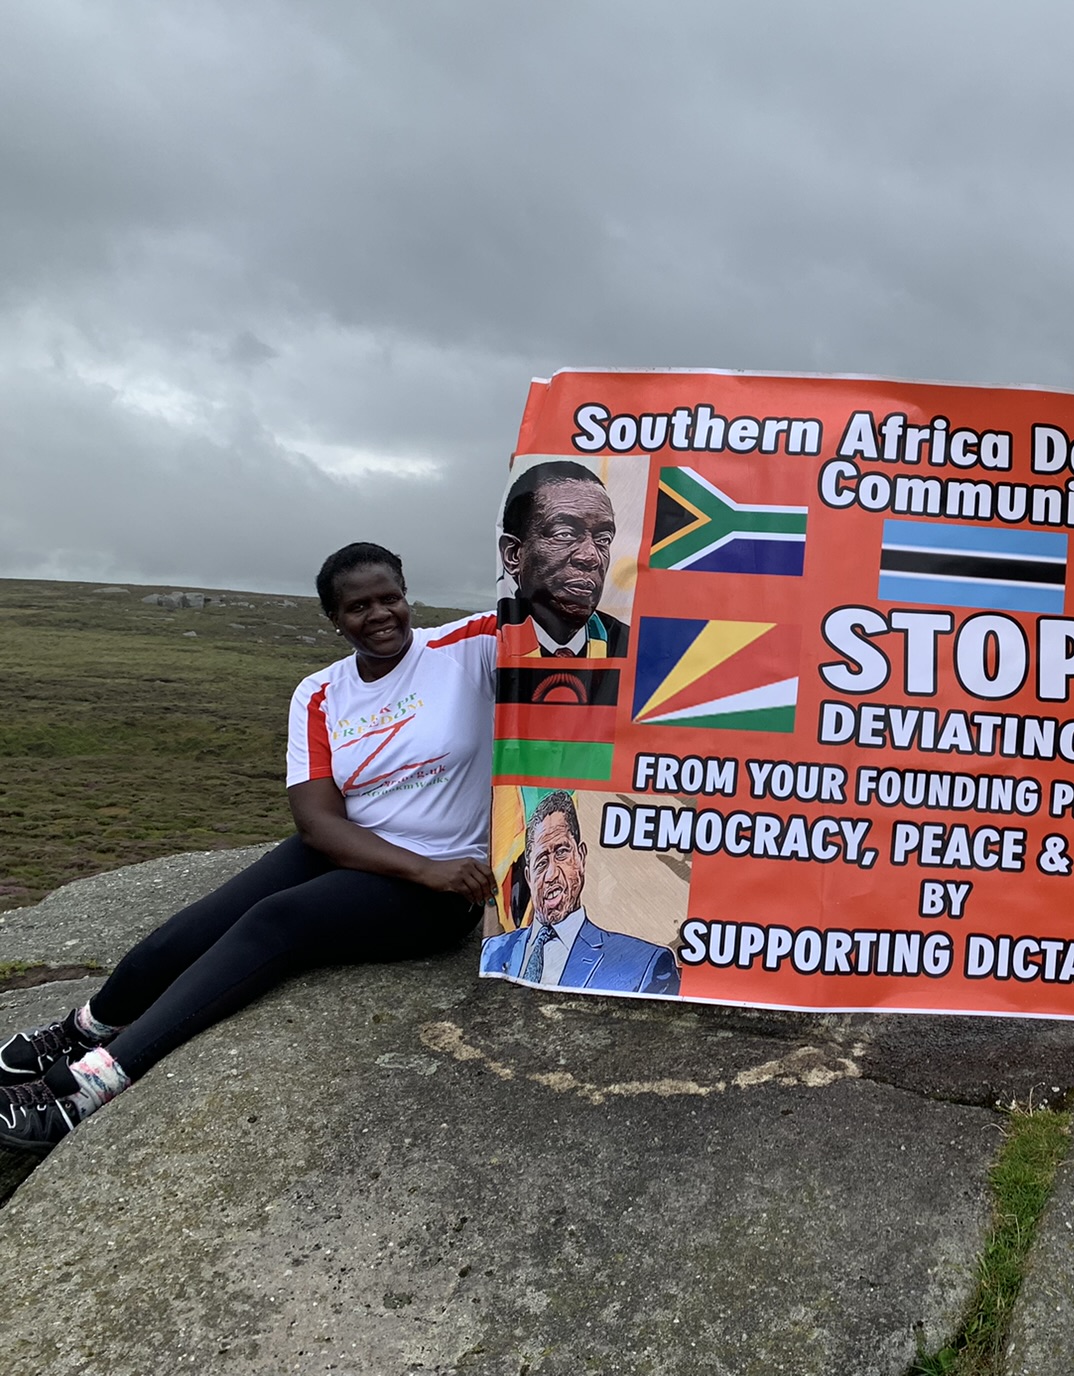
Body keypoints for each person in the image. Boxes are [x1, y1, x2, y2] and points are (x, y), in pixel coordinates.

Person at [0, 543, 496, 1153]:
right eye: (357, 606)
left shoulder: (470, 645)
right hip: (353, 847)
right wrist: (413, 863)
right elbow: (316, 821)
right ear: (333, 619)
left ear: (406, 594)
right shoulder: (319, 693)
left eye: (389, 597)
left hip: (444, 888)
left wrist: (436, 872)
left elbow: (559, 608)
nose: (380, 614)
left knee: (277, 921)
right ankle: (85, 1026)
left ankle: (85, 1090)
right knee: (196, 926)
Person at [479, 790, 680, 995]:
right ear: (529, 877)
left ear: (581, 857)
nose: (551, 874)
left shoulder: (645, 965)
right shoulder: (493, 951)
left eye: (561, 853)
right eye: (541, 862)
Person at [498, 460, 630, 659]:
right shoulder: (471, 651)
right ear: (513, 554)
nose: (590, 557)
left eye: (603, 539)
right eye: (564, 534)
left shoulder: (634, 648)